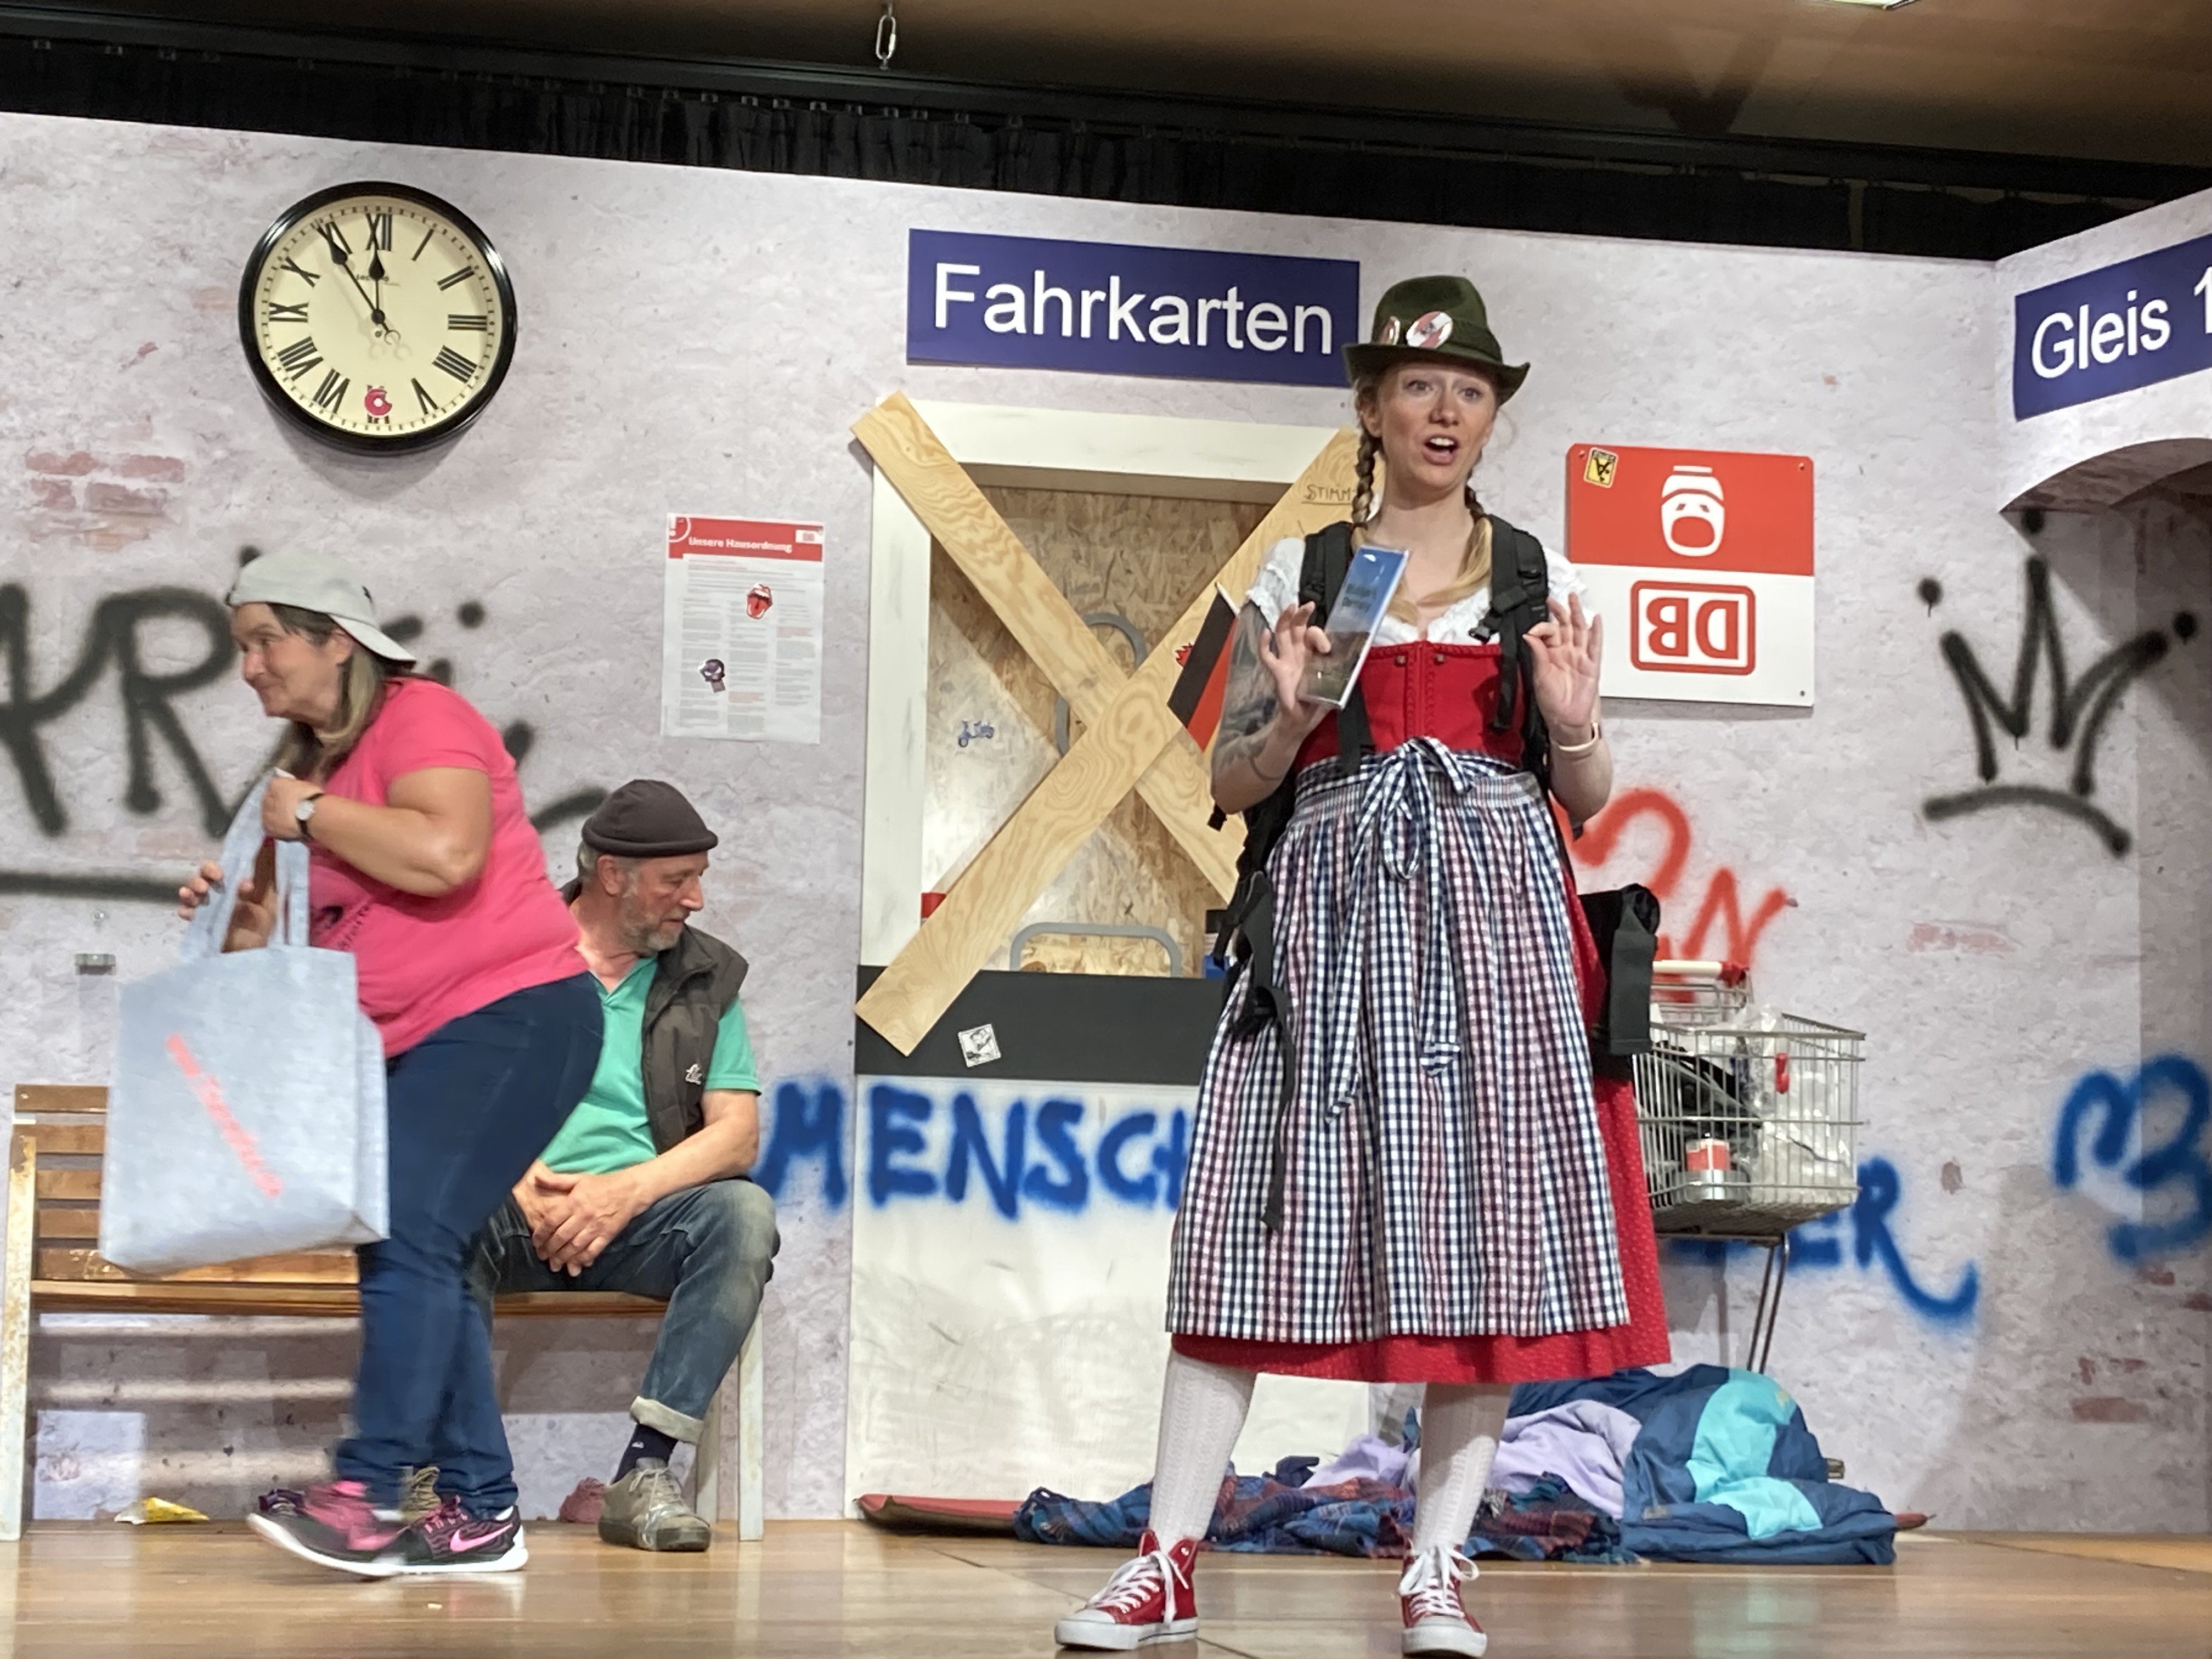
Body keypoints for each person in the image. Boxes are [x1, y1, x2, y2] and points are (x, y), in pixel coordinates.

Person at [1053, 276, 1668, 1657]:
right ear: (1374, 408)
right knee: (1247, 1231)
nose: (1445, 412)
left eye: (1470, 392)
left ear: (1493, 415)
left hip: (1500, 947)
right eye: (1419, 387)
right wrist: (1291, 714)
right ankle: (1167, 1559)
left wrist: (1575, 725)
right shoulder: (1303, 574)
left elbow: (1583, 798)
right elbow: (1230, 780)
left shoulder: (1540, 580)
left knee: (1487, 1246)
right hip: (1329, 940)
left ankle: (1437, 1567)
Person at [178, 549, 601, 1578]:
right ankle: (479, 1510)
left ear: (338, 640)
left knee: (411, 1233)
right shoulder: (313, 777)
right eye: (241, 647)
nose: (249, 667)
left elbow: (446, 854)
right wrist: (233, 916)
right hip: (411, 1041)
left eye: (266, 641)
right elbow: (287, 951)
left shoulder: (423, 719)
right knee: (412, 1251)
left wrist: (307, 815)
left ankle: (371, 1496)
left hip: (513, 1013)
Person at [468, 780, 778, 1553]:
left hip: (638, 1224)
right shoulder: (506, 951)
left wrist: (624, 1192)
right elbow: (445, 1091)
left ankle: (644, 1472)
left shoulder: (706, 977)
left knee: (742, 1214)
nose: (695, 899)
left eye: (698, 877)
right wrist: (515, 1173)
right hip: (513, 1210)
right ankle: (459, 1480)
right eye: (677, 880)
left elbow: (735, 1136)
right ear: (612, 875)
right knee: (437, 1213)